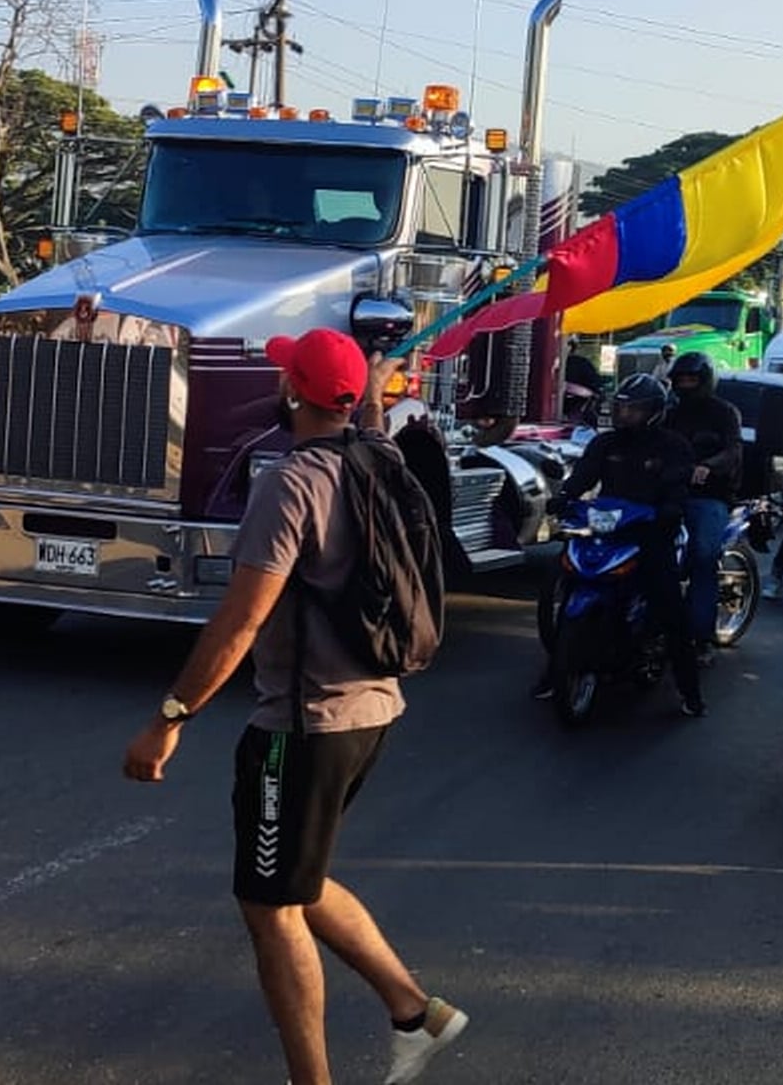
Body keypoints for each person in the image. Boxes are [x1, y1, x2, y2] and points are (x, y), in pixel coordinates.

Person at [121, 328, 468, 1085]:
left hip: (305, 725)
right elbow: (368, 415)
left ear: (289, 392)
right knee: (297, 881)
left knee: (270, 905)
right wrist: (373, 390)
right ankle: (416, 1012)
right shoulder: (382, 455)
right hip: (374, 707)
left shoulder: (292, 481)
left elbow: (240, 621)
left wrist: (168, 720)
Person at [543, 373, 705, 715]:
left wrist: (670, 508)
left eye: (633, 410)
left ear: (654, 412)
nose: (624, 415)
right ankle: (553, 671)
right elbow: (584, 476)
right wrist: (565, 497)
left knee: (671, 610)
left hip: (649, 533)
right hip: (607, 528)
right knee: (562, 580)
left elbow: (677, 486)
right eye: (621, 408)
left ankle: (689, 692)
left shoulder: (673, 447)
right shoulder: (605, 444)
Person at [663, 351, 745, 660]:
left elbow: (733, 451)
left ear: (705, 380)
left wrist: (708, 466)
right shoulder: (669, 414)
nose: (685, 384)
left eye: (691, 379)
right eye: (680, 379)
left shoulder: (724, 413)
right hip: (671, 492)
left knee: (702, 555)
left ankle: (701, 637)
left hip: (709, 496)